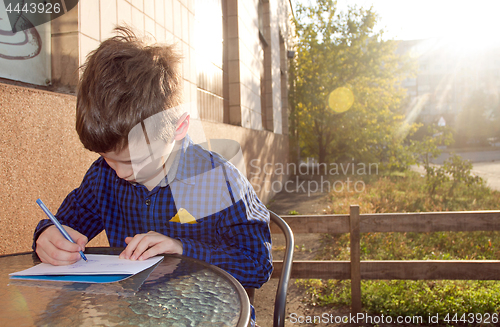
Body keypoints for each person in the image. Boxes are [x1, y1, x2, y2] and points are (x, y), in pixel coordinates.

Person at [32, 27, 272, 326]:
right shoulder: (103, 176)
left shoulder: (216, 181)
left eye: (136, 160)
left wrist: (183, 251)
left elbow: (257, 265)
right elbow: (66, 226)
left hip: (213, 316)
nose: (121, 172)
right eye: (109, 158)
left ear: (180, 128)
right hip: (138, 315)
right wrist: (47, 235)